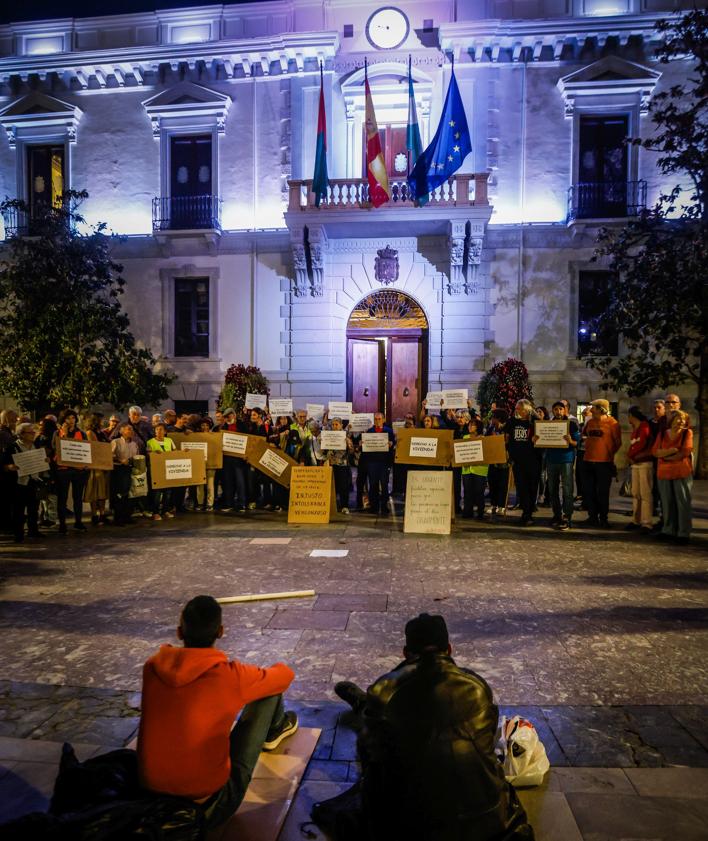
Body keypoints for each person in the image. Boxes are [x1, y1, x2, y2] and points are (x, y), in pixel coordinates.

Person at [332, 614, 534, 841]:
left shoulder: (384, 690)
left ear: (405, 653)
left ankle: (362, 704)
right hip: (488, 822)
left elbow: (370, 760)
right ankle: (362, 705)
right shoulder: (477, 687)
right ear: (449, 649)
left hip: (408, 829)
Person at [137, 595, 298, 832]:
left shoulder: (152, 667)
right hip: (205, 810)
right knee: (269, 690)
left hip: (149, 799)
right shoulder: (229, 676)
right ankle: (276, 728)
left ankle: (277, 727)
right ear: (220, 632)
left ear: (179, 632)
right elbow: (285, 676)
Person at [652, 409, 693, 545]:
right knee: (667, 502)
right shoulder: (663, 434)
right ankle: (668, 530)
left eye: (683, 419)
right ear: (672, 421)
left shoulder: (687, 433)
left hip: (681, 472)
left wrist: (666, 456)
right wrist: (671, 451)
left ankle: (683, 533)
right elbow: (655, 452)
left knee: (682, 503)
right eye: (678, 419)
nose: (681, 422)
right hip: (663, 472)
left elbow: (685, 451)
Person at [1, 422, 48, 542]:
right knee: (18, 510)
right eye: (30, 433)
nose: (33, 434)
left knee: (34, 508)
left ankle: (33, 531)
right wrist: (9, 467)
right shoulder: (12, 447)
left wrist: (45, 460)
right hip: (19, 483)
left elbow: (40, 461)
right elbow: (3, 464)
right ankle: (19, 534)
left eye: (34, 432)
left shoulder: (36, 446)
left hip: (33, 481)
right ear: (21, 434)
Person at [581, 399, 622, 528]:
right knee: (589, 491)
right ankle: (592, 517)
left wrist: (607, 453)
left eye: (593, 407)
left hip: (604, 463)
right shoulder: (590, 422)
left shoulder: (613, 423)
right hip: (588, 460)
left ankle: (603, 518)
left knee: (603, 492)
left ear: (600, 409)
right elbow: (584, 436)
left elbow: (617, 443)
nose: (590, 410)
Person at [541, 401, 580, 531]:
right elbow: (543, 441)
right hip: (551, 460)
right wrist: (537, 440)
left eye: (560, 409)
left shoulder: (572, 425)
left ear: (565, 410)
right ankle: (557, 514)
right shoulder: (547, 425)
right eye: (556, 409)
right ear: (552, 411)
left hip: (566, 460)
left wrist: (570, 441)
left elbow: (577, 443)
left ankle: (567, 516)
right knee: (552, 489)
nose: (558, 411)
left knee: (567, 489)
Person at [504, 399, 541, 526]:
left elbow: (543, 439)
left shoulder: (535, 423)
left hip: (533, 460)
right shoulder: (512, 422)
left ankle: (529, 512)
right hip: (517, 461)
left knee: (532, 487)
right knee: (521, 487)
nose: (517, 411)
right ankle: (525, 512)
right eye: (516, 408)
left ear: (527, 410)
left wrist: (537, 439)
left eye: (519, 408)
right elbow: (507, 438)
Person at [53, 409, 90, 533]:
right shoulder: (57, 433)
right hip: (63, 471)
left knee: (77, 498)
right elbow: (55, 449)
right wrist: (64, 434)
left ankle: (78, 522)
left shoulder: (81, 433)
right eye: (68, 418)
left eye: (73, 418)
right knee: (62, 498)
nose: (71, 421)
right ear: (63, 420)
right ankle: (62, 524)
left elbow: (86, 449)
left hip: (78, 471)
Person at [626, 406, 654, 534]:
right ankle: (636, 520)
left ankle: (646, 523)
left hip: (644, 463)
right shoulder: (635, 429)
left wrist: (631, 456)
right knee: (636, 492)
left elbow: (642, 443)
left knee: (645, 493)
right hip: (635, 463)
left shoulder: (644, 427)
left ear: (632, 415)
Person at [365, 412, 395, 515]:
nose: (377, 421)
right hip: (372, 462)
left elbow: (393, 443)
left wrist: (392, 443)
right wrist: (363, 444)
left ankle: (384, 506)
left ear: (383, 420)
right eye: (376, 419)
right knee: (373, 485)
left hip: (384, 462)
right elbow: (366, 446)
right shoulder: (369, 431)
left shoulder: (389, 431)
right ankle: (374, 506)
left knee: (384, 484)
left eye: (379, 419)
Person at [321, 417, 354, 514]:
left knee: (344, 486)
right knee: (332, 486)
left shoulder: (346, 435)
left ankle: (344, 506)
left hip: (342, 465)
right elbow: (323, 451)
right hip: (331, 464)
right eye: (333, 425)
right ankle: (332, 506)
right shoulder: (328, 435)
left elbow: (351, 452)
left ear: (341, 425)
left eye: (336, 424)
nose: (334, 426)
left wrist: (349, 444)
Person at [83, 412, 110, 526]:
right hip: (95, 466)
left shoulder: (101, 432)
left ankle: (102, 514)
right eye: (100, 420)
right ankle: (94, 514)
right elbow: (95, 447)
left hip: (103, 464)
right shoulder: (90, 433)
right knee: (95, 491)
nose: (102, 422)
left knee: (103, 491)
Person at [110, 421, 139, 526]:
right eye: (129, 429)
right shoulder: (116, 442)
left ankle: (127, 516)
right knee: (119, 494)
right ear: (122, 431)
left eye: (132, 429)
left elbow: (137, 456)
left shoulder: (134, 444)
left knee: (130, 494)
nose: (131, 431)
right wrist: (120, 459)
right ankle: (118, 518)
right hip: (119, 470)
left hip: (131, 469)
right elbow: (110, 455)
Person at [146, 422, 176, 520]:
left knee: (168, 492)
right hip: (156, 470)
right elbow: (148, 454)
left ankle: (165, 511)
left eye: (161, 429)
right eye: (157, 429)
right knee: (156, 492)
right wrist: (154, 453)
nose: (159, 431)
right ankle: (155, 512)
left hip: (168, 469)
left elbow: (175, 452)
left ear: (165, 431)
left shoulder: (169, 440)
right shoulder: (150, 442)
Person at [461, 417, 488, 520]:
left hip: (480, 469)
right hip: (467, 469)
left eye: (472, 425)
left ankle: (480, 512)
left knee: (479, 492)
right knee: (467, 491)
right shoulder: (465, 437)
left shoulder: (483, 439)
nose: (470, 426)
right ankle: (468, 511)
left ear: (478, 427)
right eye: (469, 425)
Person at [486, 408, 509, 521]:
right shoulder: (490, 429)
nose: (491, 419)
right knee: (492, 483)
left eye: (493, 417)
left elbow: (508, 443)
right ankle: (493, 504)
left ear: (498, 418)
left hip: (504, 462)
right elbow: (486, 441)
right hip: (493, 461)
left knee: (502, 484)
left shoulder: (506, 429)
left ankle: (501, 506)